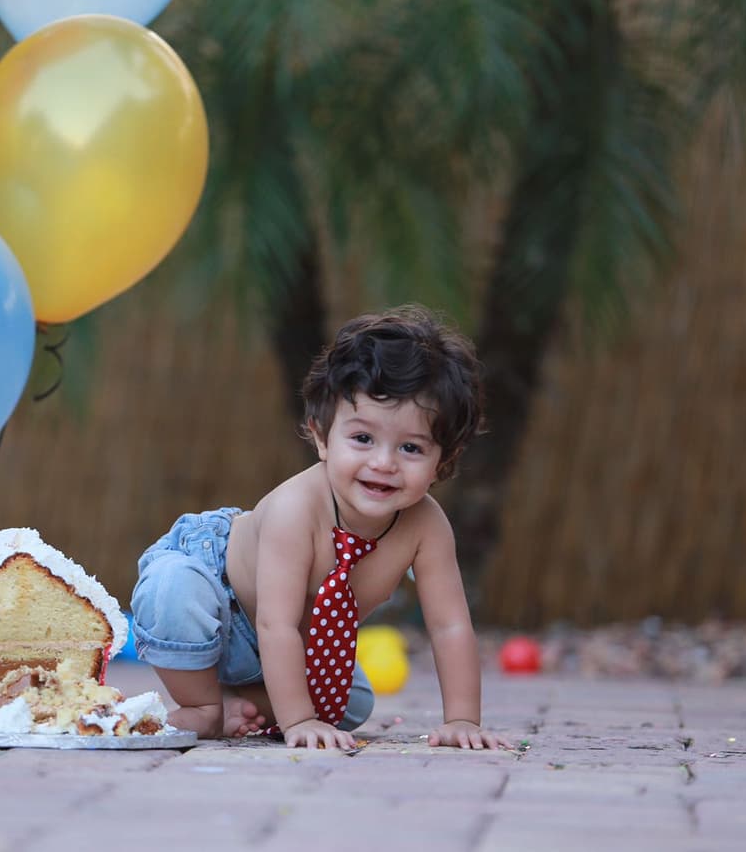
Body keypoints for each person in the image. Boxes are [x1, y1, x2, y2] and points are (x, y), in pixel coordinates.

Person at [130, 304, 509, 750]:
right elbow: (275, 623)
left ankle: (241, 702)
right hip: (222, 600)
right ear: (322, 436)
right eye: (363, 438)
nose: (383, 463)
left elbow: (450, 626)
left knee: (352, 704)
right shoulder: (296, 509)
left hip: (292, 641)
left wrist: (463, 719)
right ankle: (204, 705)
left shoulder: (426, 526)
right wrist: (300, 721)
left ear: (443, 460)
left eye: (410, 448)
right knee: (171, 588)